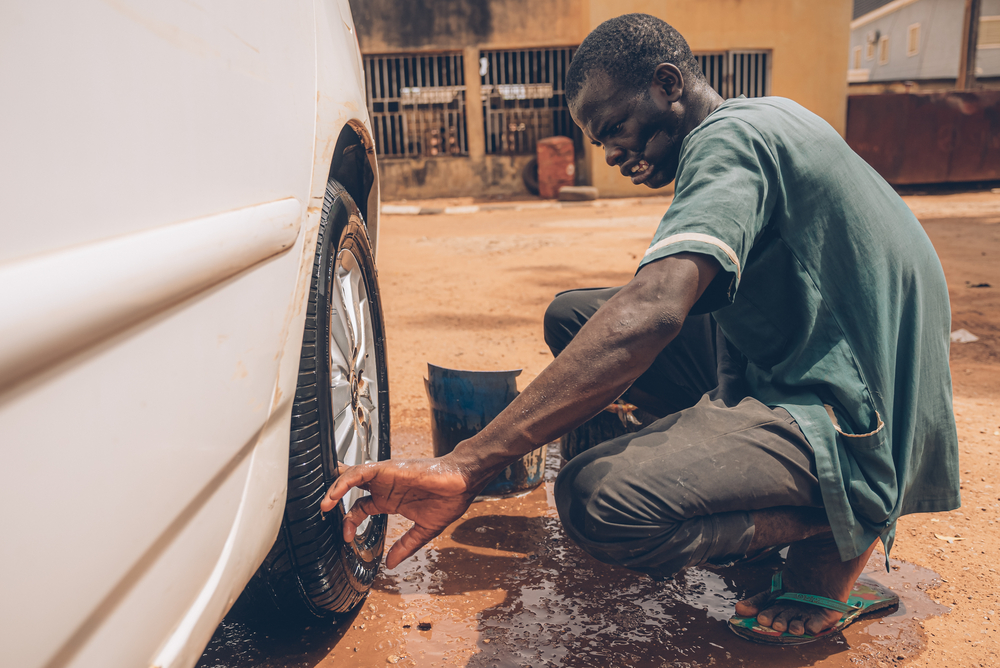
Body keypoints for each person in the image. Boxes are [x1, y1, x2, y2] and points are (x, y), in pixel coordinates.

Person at [321, 13, 960, 643]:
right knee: (575, 316)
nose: (614, 153)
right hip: (825, 348)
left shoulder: (727, 143)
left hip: (855, 405)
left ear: (667, 84)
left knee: (598, 500)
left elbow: (655, 308)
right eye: (601, 142)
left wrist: (468, 466)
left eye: (618, 128)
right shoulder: (761, 117)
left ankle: (837, 519)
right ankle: (742, 474)